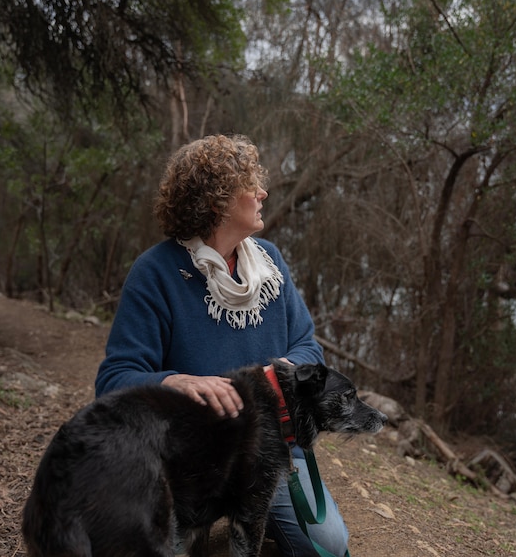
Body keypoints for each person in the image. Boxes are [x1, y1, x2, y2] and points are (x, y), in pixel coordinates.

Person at [95, 134, 349, 557]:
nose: (262, 193)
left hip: (266, 455)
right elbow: (113, 380)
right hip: (186, 461)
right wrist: (174, 381)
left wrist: (282, 375)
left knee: (329, 544)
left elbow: (308, 347)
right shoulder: (155, 273)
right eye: (251, 185)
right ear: (216, 202)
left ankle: (250, 518)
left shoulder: (270, 263)